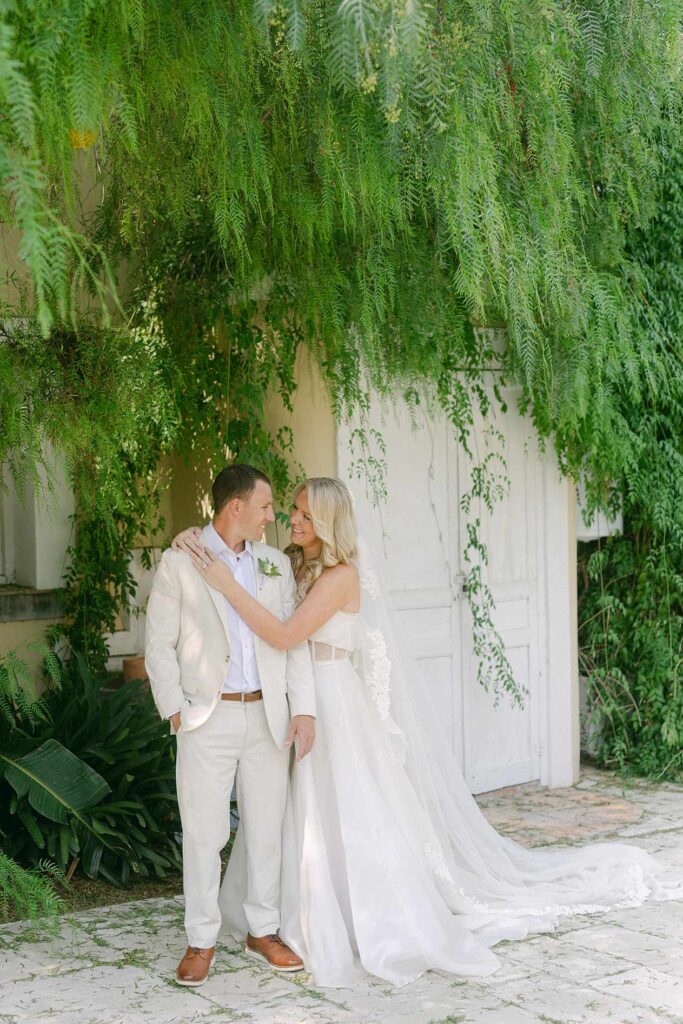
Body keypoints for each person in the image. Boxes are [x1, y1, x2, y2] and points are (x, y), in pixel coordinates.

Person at [172, 476, 680, 988]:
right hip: (296, 703)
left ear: (326, 520)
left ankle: (357, 912)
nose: (291, 520)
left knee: (346, 807)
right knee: (294, 812)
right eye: (291, 511)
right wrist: (189, 543)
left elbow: (284, 634)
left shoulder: (341, 576)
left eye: (303, 514)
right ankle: (277, 916)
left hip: (331, 702)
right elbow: (233, 562)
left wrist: (225, 584)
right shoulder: (291, 563)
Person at [145, 464, 316, 987]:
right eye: (265, 507)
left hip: (268, 715)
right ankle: (200, 940)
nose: (274, 516)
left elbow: (293, 642)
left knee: (265, 828)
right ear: (235, 507)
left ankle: (262, 930)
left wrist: (303, 708)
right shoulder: (181, 561)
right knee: (203, 833)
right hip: (207, 717)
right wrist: (175, 706)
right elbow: (159, 642)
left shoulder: (273, 565)